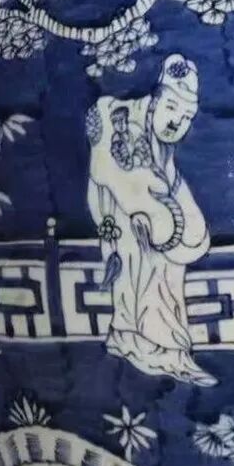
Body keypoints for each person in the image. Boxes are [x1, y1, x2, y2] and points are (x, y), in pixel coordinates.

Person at [86, 54, 214, 385]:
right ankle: (161, 349)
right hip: (120, 211)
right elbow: (103, 168)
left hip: (146, 217)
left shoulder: (160, 143)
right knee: (144, 266)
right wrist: (145, 206)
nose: (177, 122)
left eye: (186, 117)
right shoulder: (117, 118)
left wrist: (190, 229)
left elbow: (172, 184)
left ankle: (151, 344)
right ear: (155, 99)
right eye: (172, 108)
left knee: (166, 268)